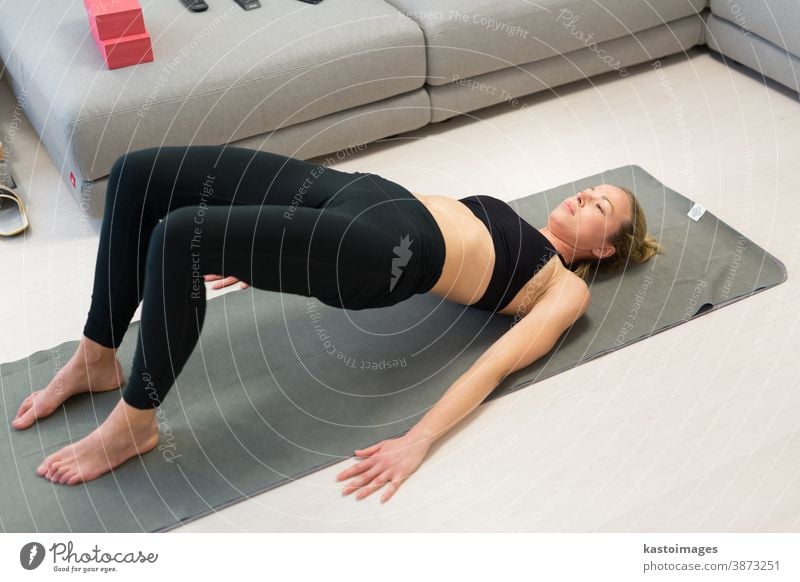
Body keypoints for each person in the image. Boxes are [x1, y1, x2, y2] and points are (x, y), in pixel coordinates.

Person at [12, 145, 661, 502]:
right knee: (136, 175)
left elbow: (496, 363)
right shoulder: (524, 222)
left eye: (602, 204)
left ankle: (135, 423)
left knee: (180, 237)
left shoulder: (566, 287)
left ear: (604, 249)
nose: (585, 195)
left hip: (385, 253)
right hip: (365, 196)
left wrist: (419, 440)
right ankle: (97, 356)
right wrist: (276, 244)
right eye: (592, 186)